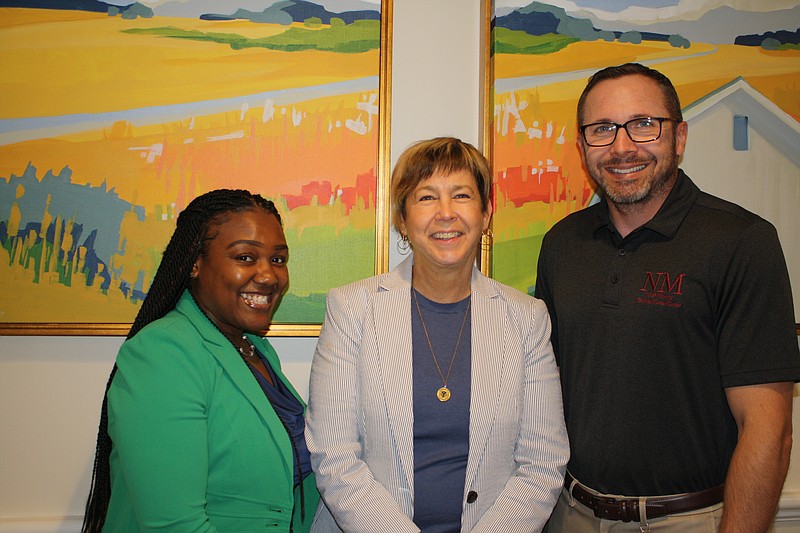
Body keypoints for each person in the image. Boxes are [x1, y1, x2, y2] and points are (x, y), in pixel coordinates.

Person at [536, 63, 800, 532]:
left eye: (643, 125)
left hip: (689, 520)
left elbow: (768, 431)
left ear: (679, 137)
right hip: (570, 513)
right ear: (582, 147)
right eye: (602, 129)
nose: (622, 146)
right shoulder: (561, 244)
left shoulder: (742, 242)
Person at [305, 137, 569, 532]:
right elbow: (335, 456)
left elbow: (542, 462)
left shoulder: (526, 319)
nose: (446, 214)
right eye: (426, 198)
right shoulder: (352, 309)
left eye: (461, 195)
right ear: (402, 218)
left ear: (486, 213)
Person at [82, 189, 319, 532]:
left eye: (278, 260)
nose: (269, 275)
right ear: (195, 263)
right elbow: (174, 525)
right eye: (245, 257)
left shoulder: (255, 349)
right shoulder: (163, 353)